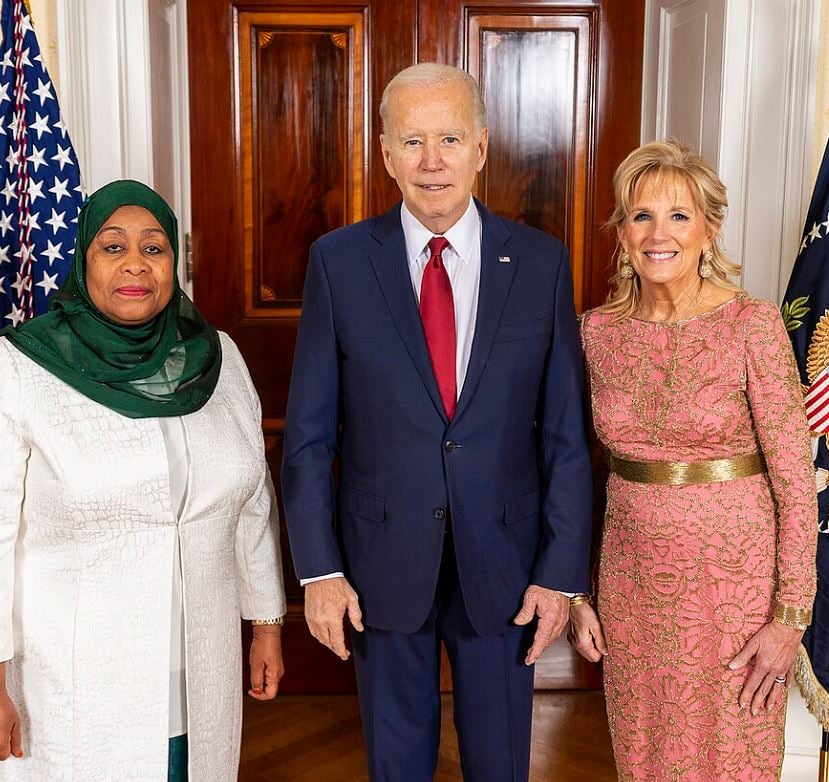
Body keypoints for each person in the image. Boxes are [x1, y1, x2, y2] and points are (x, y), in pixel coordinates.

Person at [282, 63, 592, 781]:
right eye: (412, 141)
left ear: (481, 147)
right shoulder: (337, 263)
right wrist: (320, 569)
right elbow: (308, 436)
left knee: (499, 761)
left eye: (449, 138)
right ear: (386, 154)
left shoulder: (541, 263)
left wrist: (559, 573)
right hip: (379, 558)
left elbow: (567, 438)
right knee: (395, 763)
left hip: (507, 566)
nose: (432, 161)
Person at [0, 180, 286, 782]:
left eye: (153, 248)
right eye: (112, 247)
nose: (135, 264)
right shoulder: (20, 367)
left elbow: (252, 502)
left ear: (173, 263)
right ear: (83, 260)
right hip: (75, 676)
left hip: (199, 663)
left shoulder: (219, 358)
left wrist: (267, 625)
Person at [568, 140, 817, 780]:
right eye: (641, 215)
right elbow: (578, 475)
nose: (659, 234)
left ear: (708, 229)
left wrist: (790, 616)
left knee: (731, 754)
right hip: (631, 584)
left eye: (679, 216)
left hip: (734, 590)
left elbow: (795, 482)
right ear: (621, 233)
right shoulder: (596, 332)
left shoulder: (752, 324)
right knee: (646, 755)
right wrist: (578, 590)